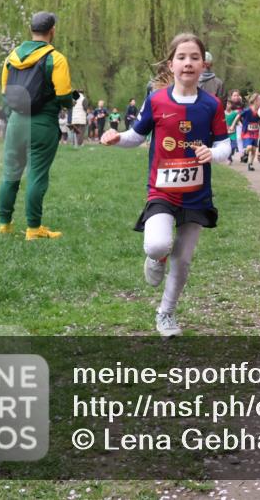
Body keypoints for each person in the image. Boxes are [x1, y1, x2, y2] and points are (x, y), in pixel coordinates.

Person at [101, 33, 230, 337]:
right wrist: (117, 138)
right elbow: (136, 136)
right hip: (162, 190)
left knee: (183, 260)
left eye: (195, 58)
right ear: (171, 65)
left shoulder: (212, 105)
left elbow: (225, 144)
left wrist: (212, 154)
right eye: (181, 57)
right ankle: (156, 257)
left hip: (196, 195)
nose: (188, 63)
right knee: (158, 244)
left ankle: (166, 313)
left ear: (204, 65)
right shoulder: (157, 100)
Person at [0, 12, 74, 239]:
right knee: (37, 176)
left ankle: (4, 225)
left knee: (10, 174)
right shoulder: (56, 58)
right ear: (52, 30)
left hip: (15, 123)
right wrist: (69, 101)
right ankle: (33, 229)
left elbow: (4, 92)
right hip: (42, 123)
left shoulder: (11, 58)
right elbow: (64, 96)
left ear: (31, 30)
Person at [232, 93, 260, 171]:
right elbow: (238, 116)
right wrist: (233, 125)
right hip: (246, 132)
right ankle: (244, 153)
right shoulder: (247, 110)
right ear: (255, 101)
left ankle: (250, 164)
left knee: (254, 150)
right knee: (249, 147)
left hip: (255, 133)